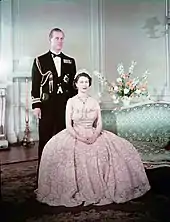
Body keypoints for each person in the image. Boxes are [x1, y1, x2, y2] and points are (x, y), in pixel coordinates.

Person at [35, 71, 150, 207]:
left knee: (119, 149)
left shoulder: (94, 101)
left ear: (89, 84)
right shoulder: (71, 102)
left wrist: (95, 135)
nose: (84, 84)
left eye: (86, 82)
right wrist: (79, 137)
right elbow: (68, 125)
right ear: (76, 84)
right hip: (74, 133)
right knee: (53, 149)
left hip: (93, 132)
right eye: (81, 82)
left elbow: (99, 123)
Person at [31, 28, 77, 163]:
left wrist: (74, 105)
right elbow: (35, 85)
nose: (60, 41)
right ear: (50, 40)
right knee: (45, 138)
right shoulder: (40, 60)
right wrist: (36, 105)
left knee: (64, 137)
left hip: (64, 105)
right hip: (47, 105)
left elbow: (73, 87)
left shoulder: (70, 61)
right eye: (57, 38)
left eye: (62, 38)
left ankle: (62, 170)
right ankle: (43, 172)